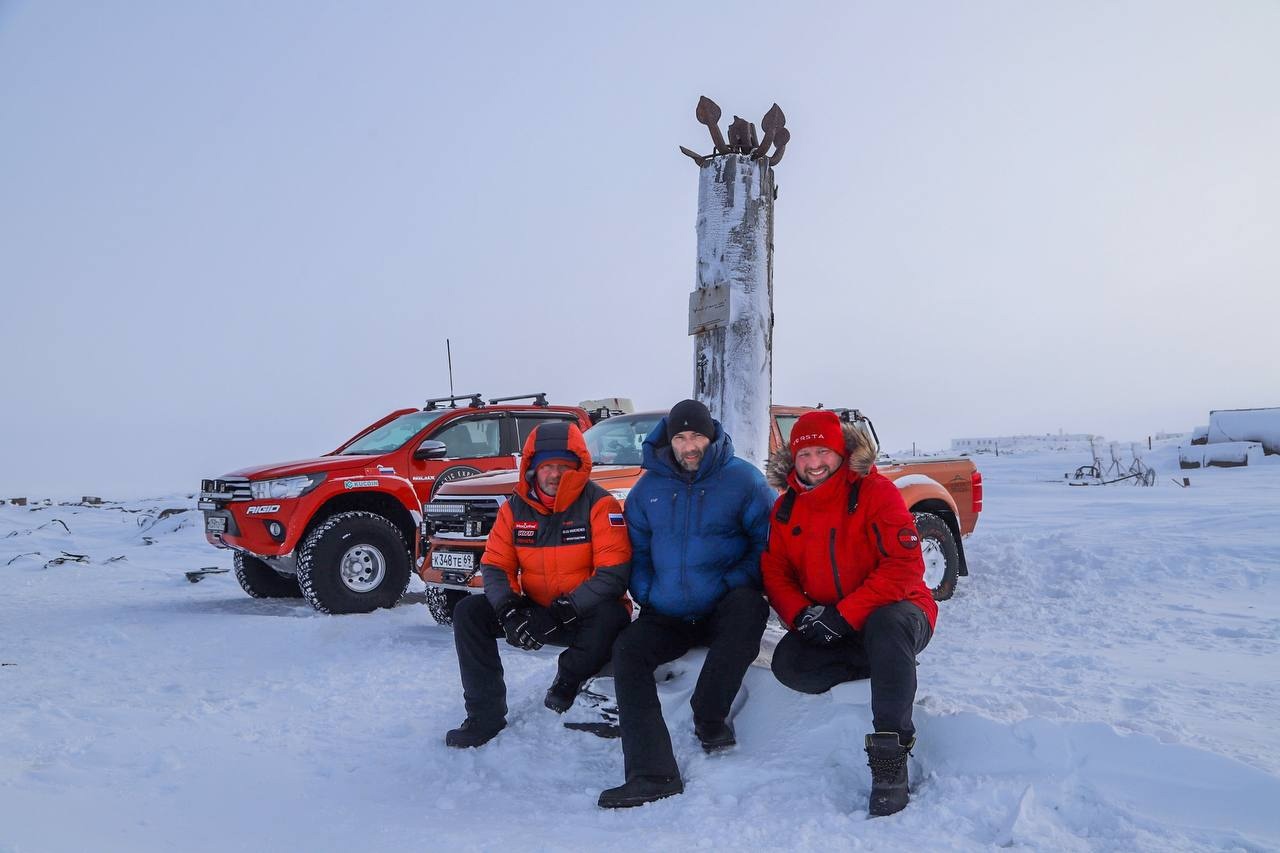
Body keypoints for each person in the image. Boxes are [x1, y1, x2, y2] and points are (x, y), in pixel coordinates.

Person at [597, 399, 776, 808]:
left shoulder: (744, 481)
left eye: (696, 435)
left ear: (710, 436)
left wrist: (730, 582)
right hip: (667, 611)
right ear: (669, 441)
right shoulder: (647, 489)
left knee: (749, 609)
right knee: (628, 651)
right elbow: (637, 550)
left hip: (722, 605)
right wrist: (648, 592)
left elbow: (765, 547)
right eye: (680, 437)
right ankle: (652, 773)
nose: (689, 445)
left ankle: (710, 715)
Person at [760, 410, 937, 816]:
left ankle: (891, 759)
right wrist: (801, 614)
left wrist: (844, 615)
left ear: (842, 452)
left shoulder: (876, 492)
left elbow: (904, 567)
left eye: (824, 451)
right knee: (790, 664)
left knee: (886, 626)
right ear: (793, 458)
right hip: (832, 619)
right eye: (805, 454)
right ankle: (889, 665)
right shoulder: (786, 508)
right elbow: (775, 570)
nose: (814, 463)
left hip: (900, 608)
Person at [445, 420, 632, 748]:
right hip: (534, 608)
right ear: (532, 469)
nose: (556, 474)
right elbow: (495, 565)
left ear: (578, 468)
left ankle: (568, 678)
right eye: (547, 466)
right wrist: (508, 610)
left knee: (613, 616)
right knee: (469, 612)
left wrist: (566, 609)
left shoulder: (601, 504)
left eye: (564, 466)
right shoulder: (514, 509)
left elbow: (613, 574)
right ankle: (484, 716)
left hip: (584, 615)